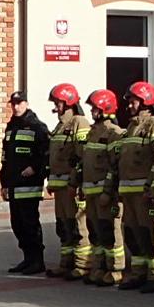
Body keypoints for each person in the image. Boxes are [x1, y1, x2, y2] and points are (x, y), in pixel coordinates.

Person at [114, 81, 154, 292]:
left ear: (145, 101)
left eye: (133, 101)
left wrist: (152, 187)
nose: (129, 105)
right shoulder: (131, 126)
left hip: (145, 193)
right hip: (128, 193)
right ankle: (139, 273)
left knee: (150, 233)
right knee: (133, 234)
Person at [0, 91, 53, 274]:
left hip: (29, 185)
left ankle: (38, 261)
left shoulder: (37, 127)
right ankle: (27, 258)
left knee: (30, 224)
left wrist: (35, 168)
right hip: (14, 185)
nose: (15, 107)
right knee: (17, 225)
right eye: (13, 104)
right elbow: (5, 158)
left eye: (19, 103)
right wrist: (4, 183)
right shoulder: (11, 127)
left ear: (26, 104)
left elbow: (47, 153)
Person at [43, 83, 90, 281]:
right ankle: (66, 263)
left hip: (72, 187)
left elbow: (82, 155)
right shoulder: (60, 125)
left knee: (78, 226)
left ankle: (82, 265)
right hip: (60, 186)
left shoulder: (79, 122)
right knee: (63, 225)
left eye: (58, 102)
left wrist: (76, 182)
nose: (55, 105)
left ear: (68, 102)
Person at [81, 89, 127, 286]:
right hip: (91, 193)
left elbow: (114, 167)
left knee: (110, 231)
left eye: (95, 108)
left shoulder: (114, 134)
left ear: (106, 109)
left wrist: (108, 192)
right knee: (95, 230)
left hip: (104, 194)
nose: (92, 112)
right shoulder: (92, 132)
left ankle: (115, 269)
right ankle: (99, 266)